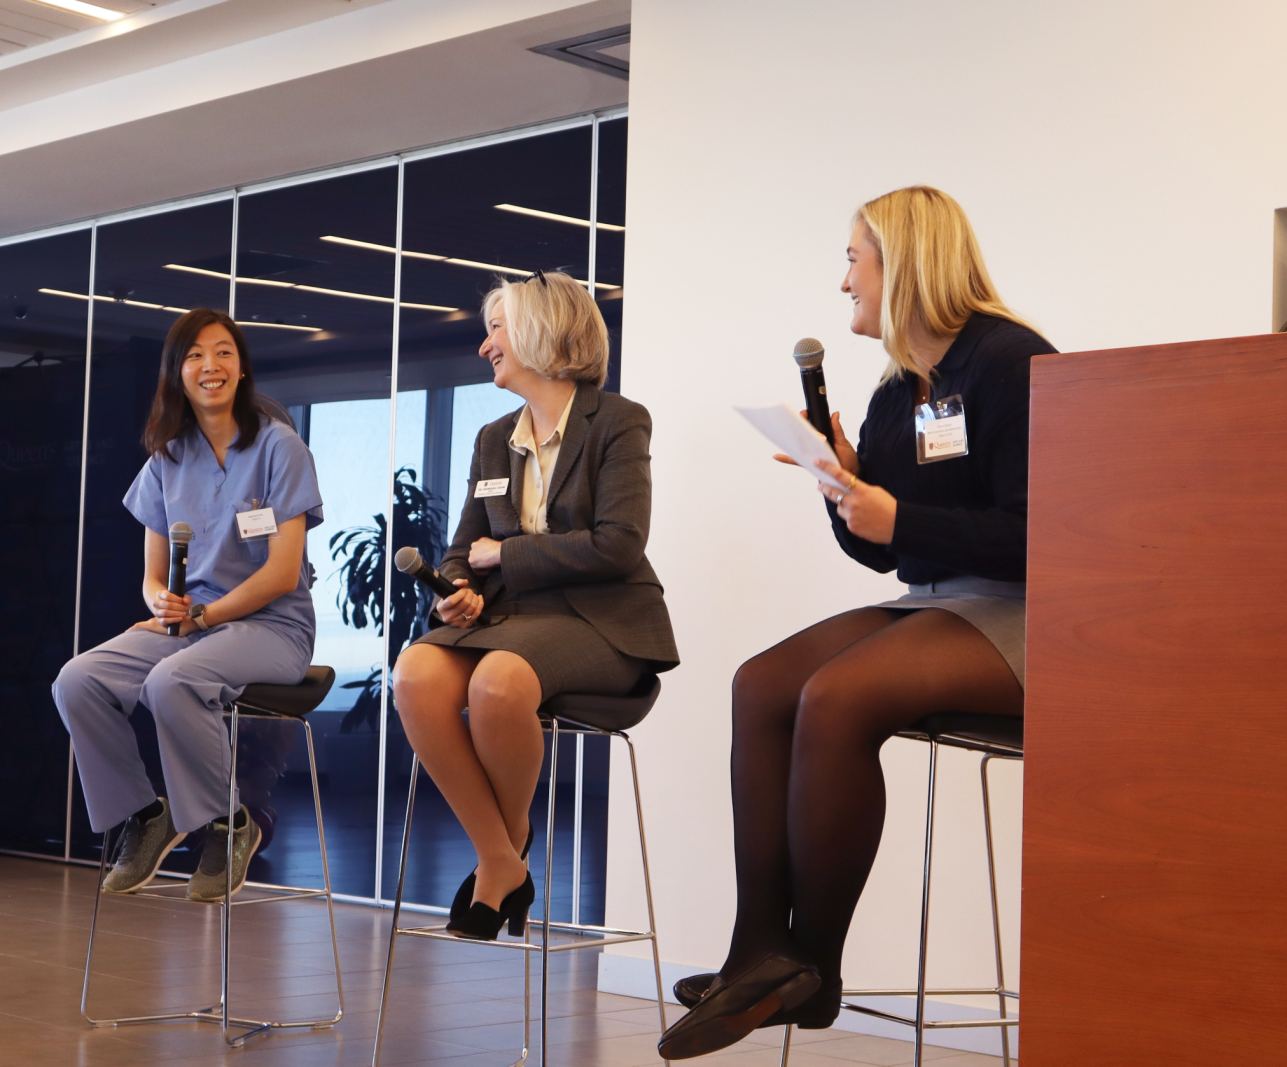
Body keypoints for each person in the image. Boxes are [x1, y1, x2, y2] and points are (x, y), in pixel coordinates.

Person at [657, 187, 1054, 1059]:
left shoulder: (1010, 360)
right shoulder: (895, 391)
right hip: (935, 601)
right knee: (762, 683)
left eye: (853, 259)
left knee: (836, 696)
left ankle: (814, 966)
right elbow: (881, 557)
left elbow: (1042, 533)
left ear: (904, 261)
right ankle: (757, 949)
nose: (844, 283)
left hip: (1029, 612)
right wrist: (842, 490)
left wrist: (897, 519)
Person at [393, 271, 678, 941]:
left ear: (540, 331)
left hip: (603, 619)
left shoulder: (617, 421)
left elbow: (619, 543)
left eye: (497, 328)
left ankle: (503, 856)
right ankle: (502, 858)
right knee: (416, 673)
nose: (485, 345)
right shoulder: (495, 436)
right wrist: (459, 586)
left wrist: (503, 557)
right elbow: (466, 545)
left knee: (498, 680)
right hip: (513, 620)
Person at [53, 308, 322, 902]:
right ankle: (145, 816)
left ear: (243, 368)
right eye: (196, 355)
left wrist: (202, 616)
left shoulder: (279, 447)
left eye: (224, 352)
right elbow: (152, 580)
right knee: (79, 679)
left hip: (271, 628)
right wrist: (165, 605)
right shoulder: (168, 457)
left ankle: (229, 825)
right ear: (178, 373)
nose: (211, 366)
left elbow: (281, 574)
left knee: (173, 680)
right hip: (192, 627)